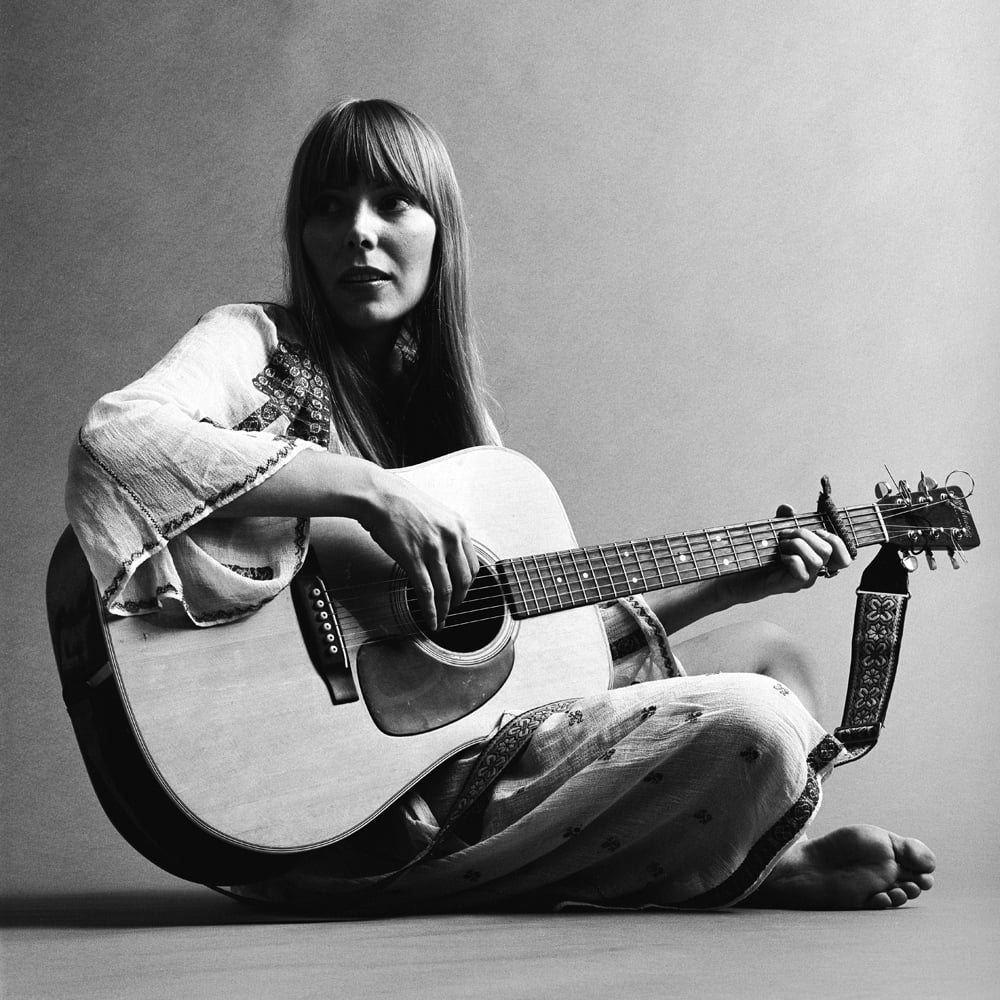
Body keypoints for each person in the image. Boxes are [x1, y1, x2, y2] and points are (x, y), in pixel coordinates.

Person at [66, 98, 935, 914]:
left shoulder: (465, 429)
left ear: (441, 231)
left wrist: (733, 584)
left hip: (467, 753)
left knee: (771, 658)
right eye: (328, 207)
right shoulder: (255, 343)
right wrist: (369, 493)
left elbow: (548, 659)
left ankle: (749, 850)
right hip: (323, 804)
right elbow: (120, 433)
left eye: (392, 202)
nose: (357, 233)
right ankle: (758, 861)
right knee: (758, 723)